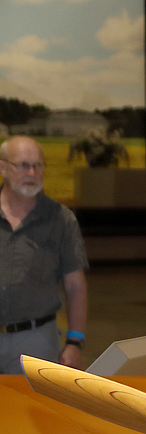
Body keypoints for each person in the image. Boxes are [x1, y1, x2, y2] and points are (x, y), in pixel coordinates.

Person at [0, 136, 88, 372]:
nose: (32, 173)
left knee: (34, 409)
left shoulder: (61, 219)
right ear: (3, 168)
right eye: (23, 165)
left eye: (38, 165)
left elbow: (75, 287)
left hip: (36, 341)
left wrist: (74, 342)